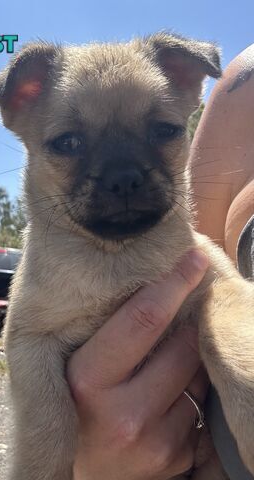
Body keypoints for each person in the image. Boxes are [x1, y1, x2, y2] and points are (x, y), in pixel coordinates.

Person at [68, 44, 254, 479]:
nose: (123, 175)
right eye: (71, 143)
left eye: (161, 132)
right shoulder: (246, 87)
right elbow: (201, 280)